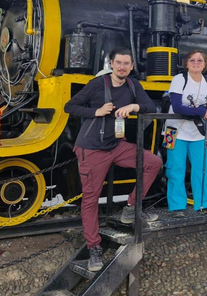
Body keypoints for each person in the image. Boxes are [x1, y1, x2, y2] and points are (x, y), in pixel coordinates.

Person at [64, 47, 162, 272]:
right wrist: (96, 112)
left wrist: (134, 106)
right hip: (92, 149)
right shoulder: (98, 84)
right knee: (91, 199)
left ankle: (131, 206)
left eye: (126, 64)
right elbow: (70, 106)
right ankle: (94, 247)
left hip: (117, 145)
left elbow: (150, 106)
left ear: (132, 66)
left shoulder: (132, 85)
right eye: (118, 63)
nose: (122, 67)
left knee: (153, 163)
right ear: (111, 64)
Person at [164, 50, 207, 217]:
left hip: (198, 132)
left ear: (205, 64)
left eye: (200, 60)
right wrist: (201, 111)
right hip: (173, 130)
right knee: (175, 168)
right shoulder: (179, 79)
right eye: (192, 60)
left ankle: (205, 203)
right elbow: (176, 106)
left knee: (203, 168)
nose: (196, 63)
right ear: (186, 63)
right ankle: (176, 207)